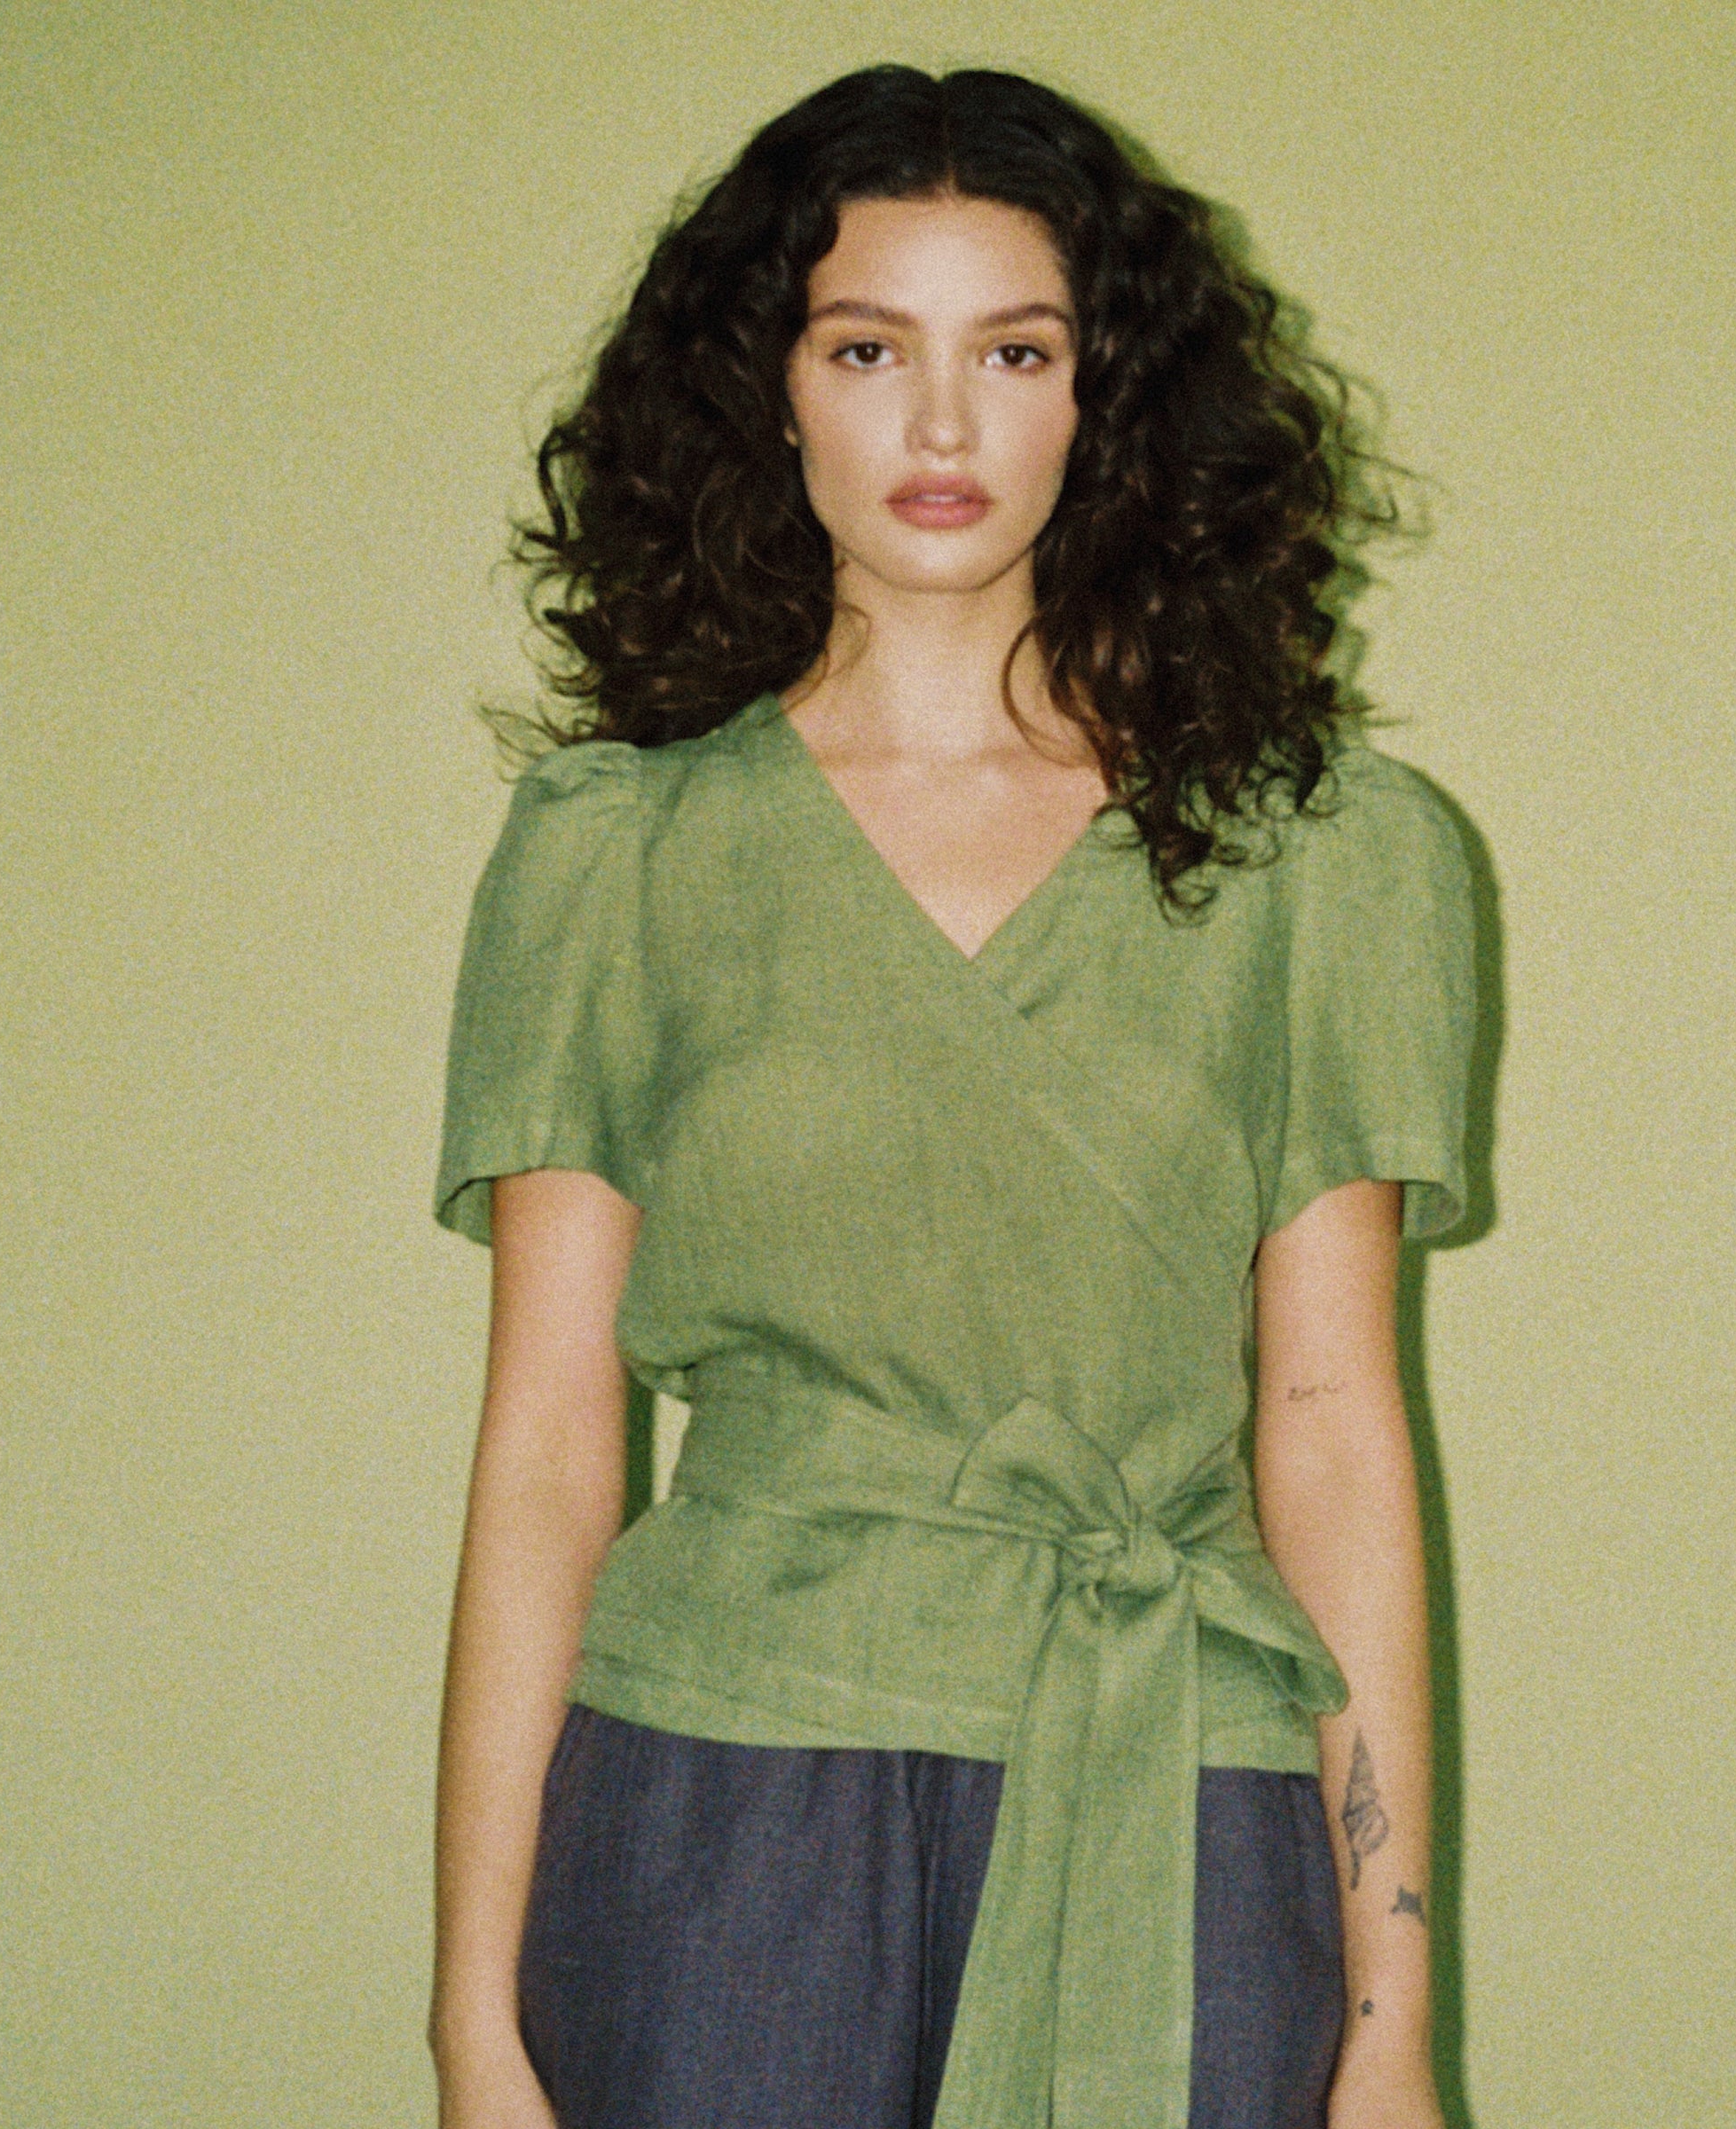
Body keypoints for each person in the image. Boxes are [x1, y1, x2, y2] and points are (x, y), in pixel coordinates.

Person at [427, 64, 1477, 2129]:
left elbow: (1335, 1426)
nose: (938, 425)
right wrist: (472, 2022)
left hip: (1179, 1784)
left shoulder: (1324, 859)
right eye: (864, 349)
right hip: (720, 1800)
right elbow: (550, 1443)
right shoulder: (615, 855)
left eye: (1013, 352)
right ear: (771, 390)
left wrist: (1392, 2022)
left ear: (1105, 397)